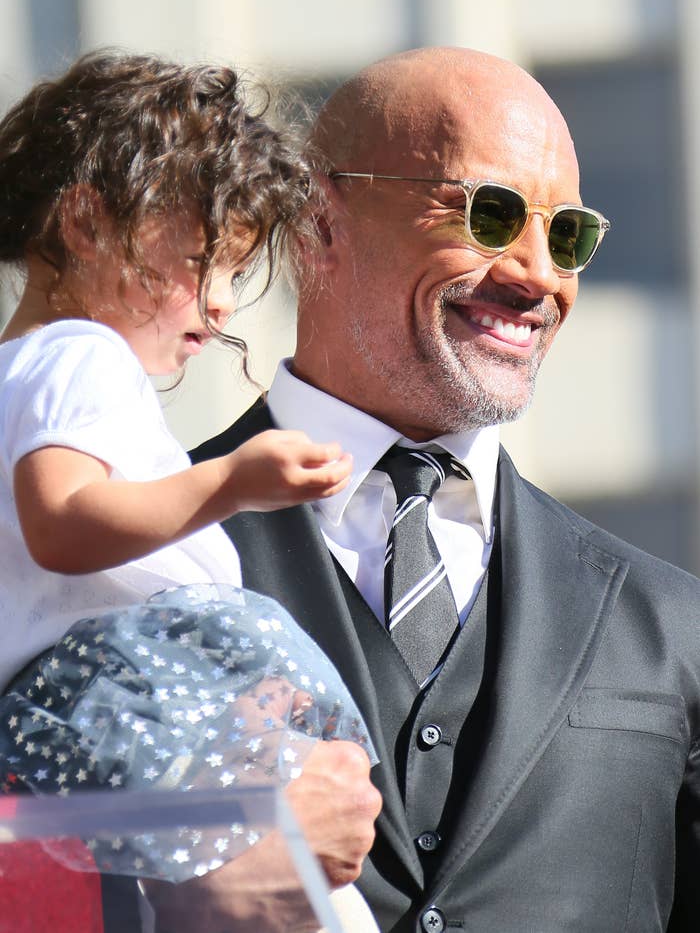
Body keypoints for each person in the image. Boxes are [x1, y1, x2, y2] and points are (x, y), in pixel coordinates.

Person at [188, 47, 700, 932]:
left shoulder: (672, 626)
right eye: (492, 215)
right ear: (316, 221)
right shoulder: (125, 548)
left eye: (567, 234)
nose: (539, 273)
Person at [0, 51, 381, 931]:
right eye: (201, 262)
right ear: (88, 224)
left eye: (234, 276)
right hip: (124, 716)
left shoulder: (28, 372)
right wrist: (229, 482)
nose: (218, 307)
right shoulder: (77, 353)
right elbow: (61, 523)